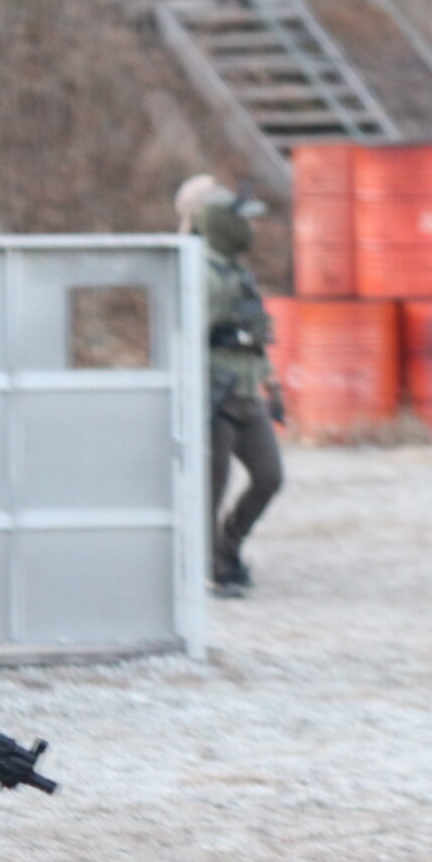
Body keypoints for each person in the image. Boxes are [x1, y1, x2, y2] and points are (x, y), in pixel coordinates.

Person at [174, 174, 285, 597]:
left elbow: (254, 335)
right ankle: (207, 569)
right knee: (210, 488)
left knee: (269, 476)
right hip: (214, 394)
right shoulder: (199, 271)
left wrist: (270, 382)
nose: (252, 229)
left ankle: (227, 548)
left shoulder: (237, 271)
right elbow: (183, 337)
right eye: (244, 221)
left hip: (245, 390)